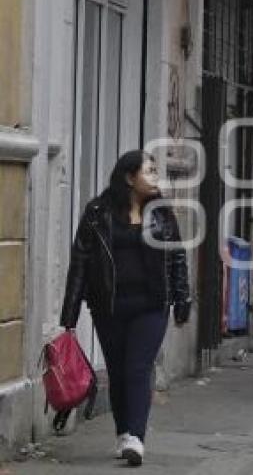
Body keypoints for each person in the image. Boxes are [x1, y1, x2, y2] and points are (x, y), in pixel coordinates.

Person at [61, 150, 192, 467]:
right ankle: (123, 434)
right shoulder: (97, 212)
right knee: (118, 371)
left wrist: (182, 299)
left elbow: (175, 257)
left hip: (151, 306)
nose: (155, 176)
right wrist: (70, 315)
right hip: (109, 306)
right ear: (129, 177)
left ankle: (136, 436)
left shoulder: (162, 213)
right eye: (149, 171)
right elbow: (80, 263)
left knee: (137, 368)